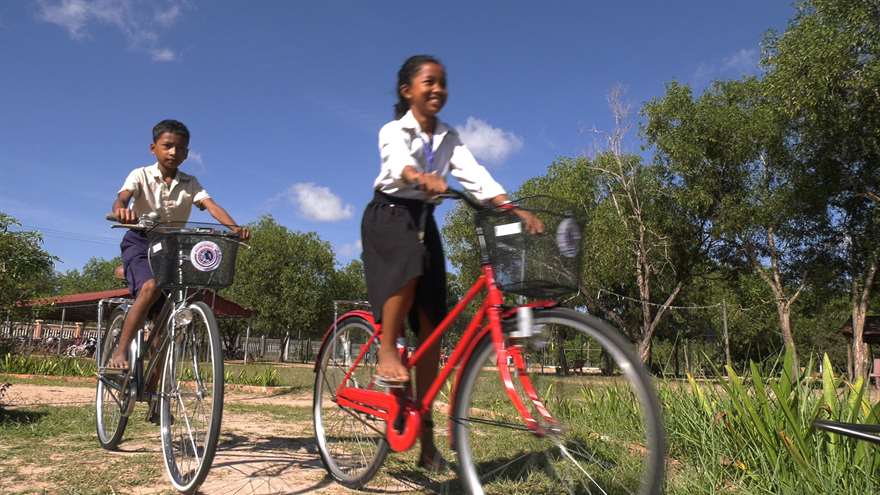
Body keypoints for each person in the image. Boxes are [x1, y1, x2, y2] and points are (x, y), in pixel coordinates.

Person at [362, 55, 543, 470]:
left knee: (433, 327)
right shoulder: (394, 129)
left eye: (443, 82)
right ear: (408, 90)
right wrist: (420, 178)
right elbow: (397, 163)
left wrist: (512, 209)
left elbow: (474, 175)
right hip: (390, 214)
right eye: (429, 82)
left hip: (424, 219)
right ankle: (387, 350)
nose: (438, 89)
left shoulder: (449, 136)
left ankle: (426, 444)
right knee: (407, 266)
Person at [109, 119, 249, 373]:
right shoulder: (140, 174)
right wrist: (121, 211)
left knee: (171, 322)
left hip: (171, 248)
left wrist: (234, 228)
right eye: (167, 146)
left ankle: (155, 397)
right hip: (140, 241)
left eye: (180, 148)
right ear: (154, 148)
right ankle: (121, 349)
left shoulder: (190, 182)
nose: (173, 152)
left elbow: (211, 205)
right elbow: (122, 198)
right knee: (150, 286)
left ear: (186, 153)